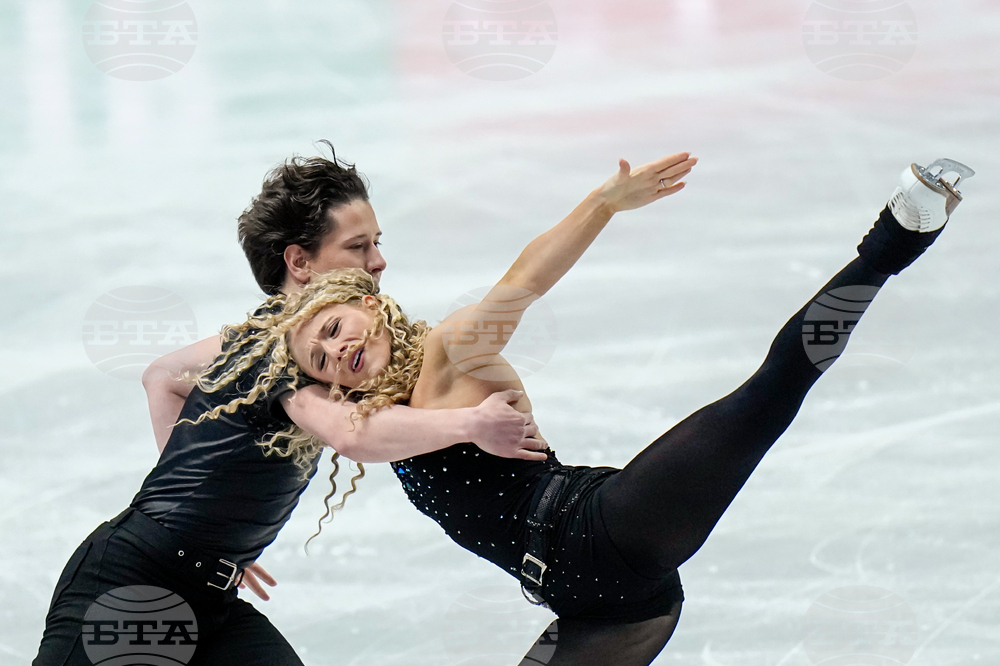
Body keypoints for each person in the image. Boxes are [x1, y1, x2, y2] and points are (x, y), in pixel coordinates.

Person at [197, 152, 973, 665]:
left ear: (376, 310)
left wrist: (604, 202)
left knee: (772, 389)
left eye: (340, 327)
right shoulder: (353, 402)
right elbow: (257, 380)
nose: (336, 349)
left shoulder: (453, 349)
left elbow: (525, 278)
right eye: (322, 345)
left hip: (613, 529)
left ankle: (894, 239)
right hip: (603, 612)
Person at [32, 151, 548, 665]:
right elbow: (351, 435)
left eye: (377, 242)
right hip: (133, 586)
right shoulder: (282, 355)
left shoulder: (271, 331)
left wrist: (201, 520)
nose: (378, 260)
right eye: (358, 245)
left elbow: (162, 376)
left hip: (208, 590)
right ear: (300, 262)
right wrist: (470, 424)